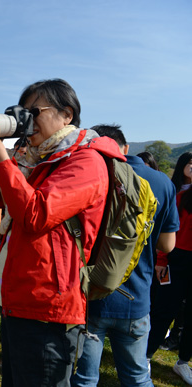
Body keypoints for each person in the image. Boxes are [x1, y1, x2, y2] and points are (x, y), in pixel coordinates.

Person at [0, 79, 121, 386]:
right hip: (19, 296)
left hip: (49, 306)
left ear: (66, 114)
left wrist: (3, 159)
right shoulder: (37, 158)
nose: (26, 120)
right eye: (21, 112)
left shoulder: (86, 161)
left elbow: (35, 215)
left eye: (34, 111)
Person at [71, 124, 178, 386]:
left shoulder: (90, 174)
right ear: (126, 148)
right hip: (136, 297)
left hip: (92, 293)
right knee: (137, 377)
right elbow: (167, 245)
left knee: (84, 378)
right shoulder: (162, 181)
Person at [146, 152, 192, 384]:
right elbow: (167, 229)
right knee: (164, 310)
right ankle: (145, 356)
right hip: (175, 258)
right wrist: (161, 261)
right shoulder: (176, 193)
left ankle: (183, 361)